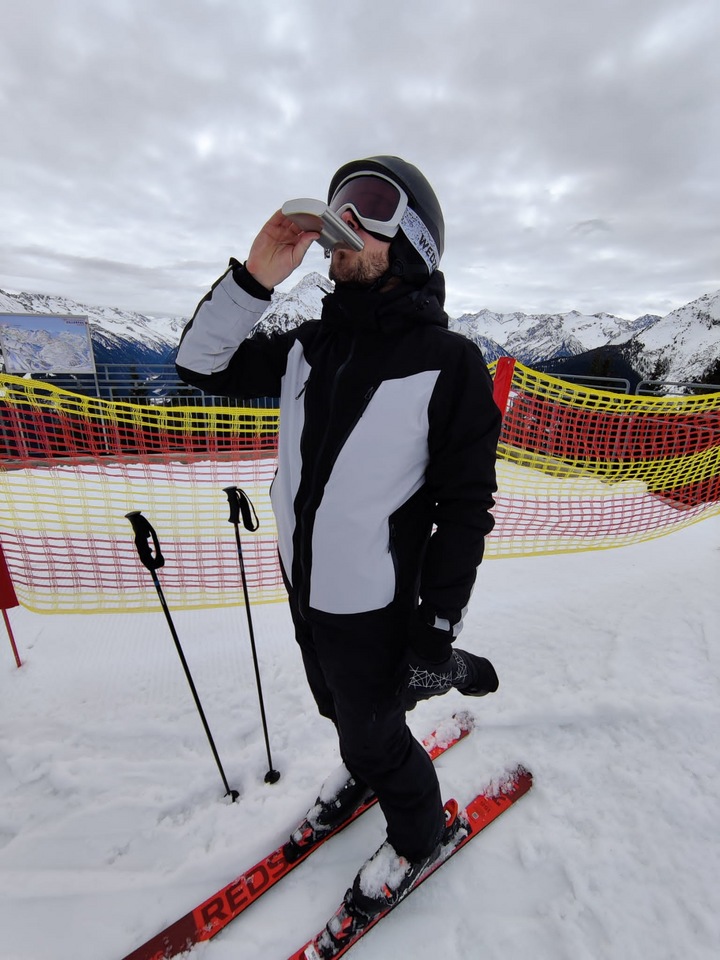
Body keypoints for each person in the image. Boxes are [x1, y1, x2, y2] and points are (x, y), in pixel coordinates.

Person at [176, 155, 501, 923]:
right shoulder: (306, 347)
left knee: (374, 730)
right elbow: (198, 363)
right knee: (340, 707)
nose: (337, 233)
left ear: (412, 237)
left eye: (364, 210)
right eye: (335, 213)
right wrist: (255, 278)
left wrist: (437, 626)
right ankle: (365, 755)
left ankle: (418, 832)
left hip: (377, 605)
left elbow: (464, 510)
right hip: (306, 589)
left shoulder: (449, 365)